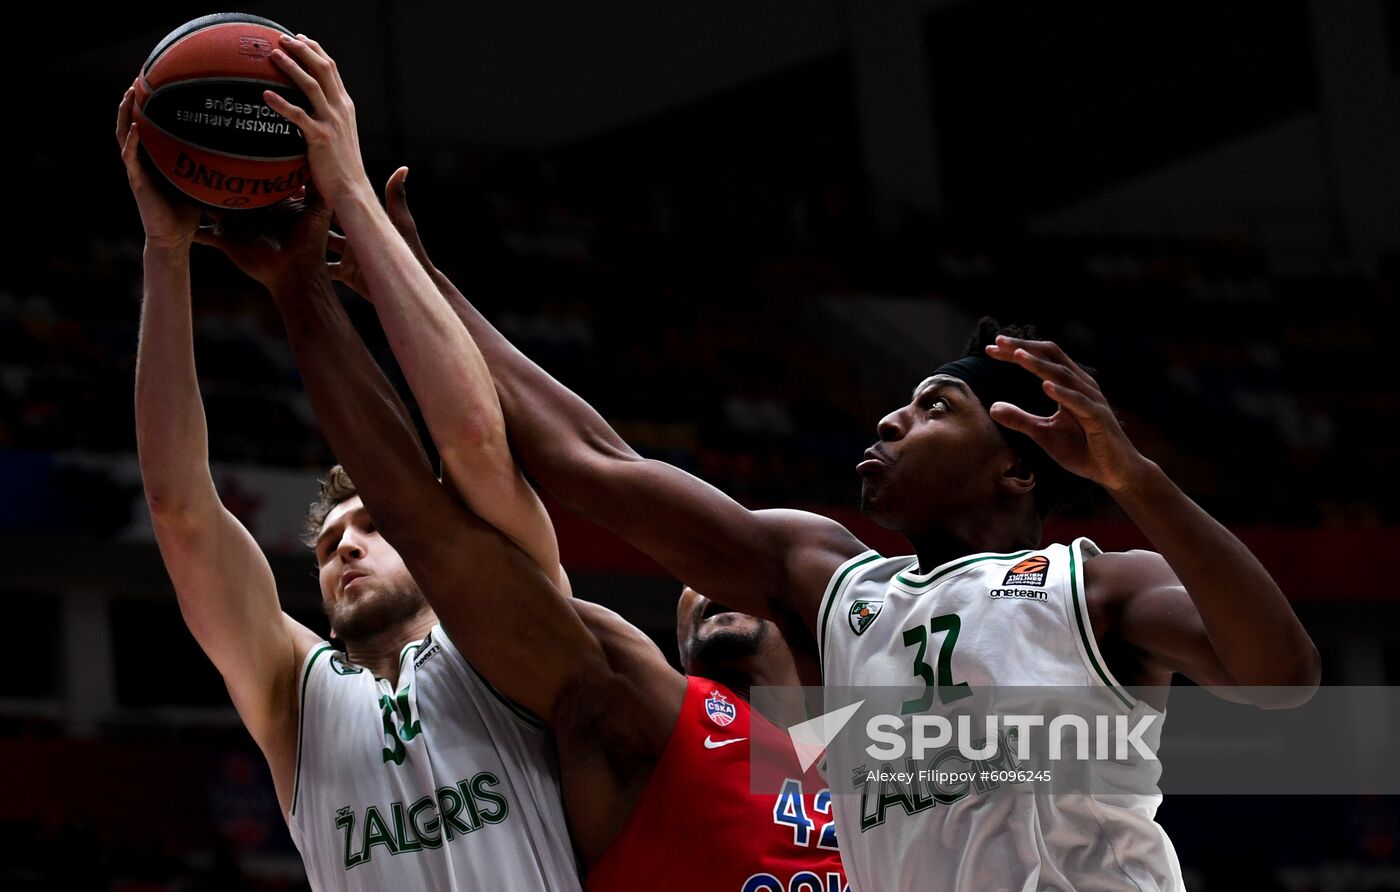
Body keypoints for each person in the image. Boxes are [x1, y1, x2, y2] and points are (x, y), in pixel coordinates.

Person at [342, 128, 1323, 891]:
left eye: (936, 406)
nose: (893, 416)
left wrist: (1137, 480)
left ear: (1015, 471)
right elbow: (588, 461)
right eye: (901, 402)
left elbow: (1280, 679)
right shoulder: (826, 577)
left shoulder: (1094, 585)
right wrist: (423, 287)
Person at [197, 33, 850, 892]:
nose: (711, 578)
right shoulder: (652, 714)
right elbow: (476, 503)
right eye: (699, 569)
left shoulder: (887, 755)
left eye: (740, 567)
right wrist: (343, 275)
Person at [116, 78, 581, 889]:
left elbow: (473, 439)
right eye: (331, 544)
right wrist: (166, 251)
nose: (347, 549)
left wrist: (351, 193)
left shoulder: (507, 632)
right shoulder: (295, 698)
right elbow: (179, 509)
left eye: (373, 527)